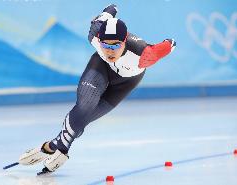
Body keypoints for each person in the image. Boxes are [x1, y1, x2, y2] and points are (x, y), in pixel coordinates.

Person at [18, 4, 176, 175]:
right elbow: (107, 12)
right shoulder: (94, 34)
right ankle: (62, 149)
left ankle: (51, 146)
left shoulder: (143, 55)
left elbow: (169, 45)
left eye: (115, 46)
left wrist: (170, 43)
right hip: (100, 68)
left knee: (83, 120)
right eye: (105, 45)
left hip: (125, 83)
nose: (109, 50)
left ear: (124, 42)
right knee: (85, 107)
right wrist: (112, 9)